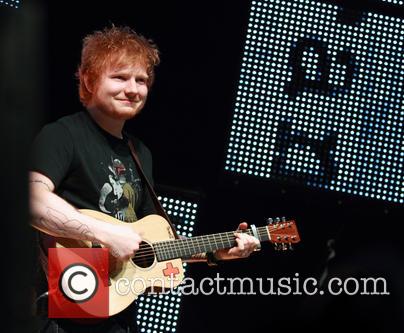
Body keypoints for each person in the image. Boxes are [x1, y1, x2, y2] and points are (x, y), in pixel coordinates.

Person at [28, 25, 260, 333]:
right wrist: (107, 235)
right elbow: (31, 201)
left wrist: (216, 252)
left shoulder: (140, 152)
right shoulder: (62, 135)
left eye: (141, 80)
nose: (134, 89)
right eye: (120, 77)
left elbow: (154, 244)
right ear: (88, 78)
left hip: (115, 314)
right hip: (64, 314)